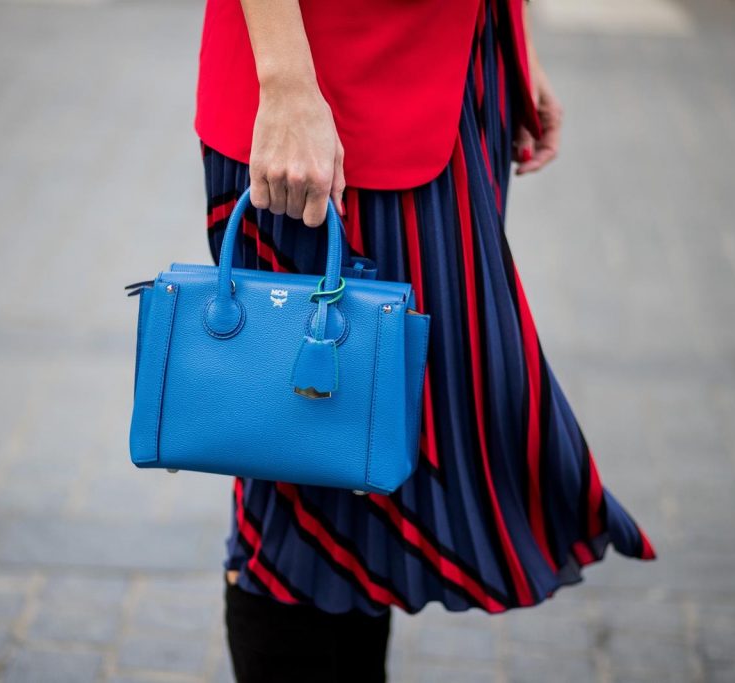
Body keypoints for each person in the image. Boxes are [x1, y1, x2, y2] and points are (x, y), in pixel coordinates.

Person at [194, 0, 657, 680]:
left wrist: (510, 32)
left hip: (455, 85)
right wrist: (289, 83)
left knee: (371, 463)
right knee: (307, 483)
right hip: (325, 91)